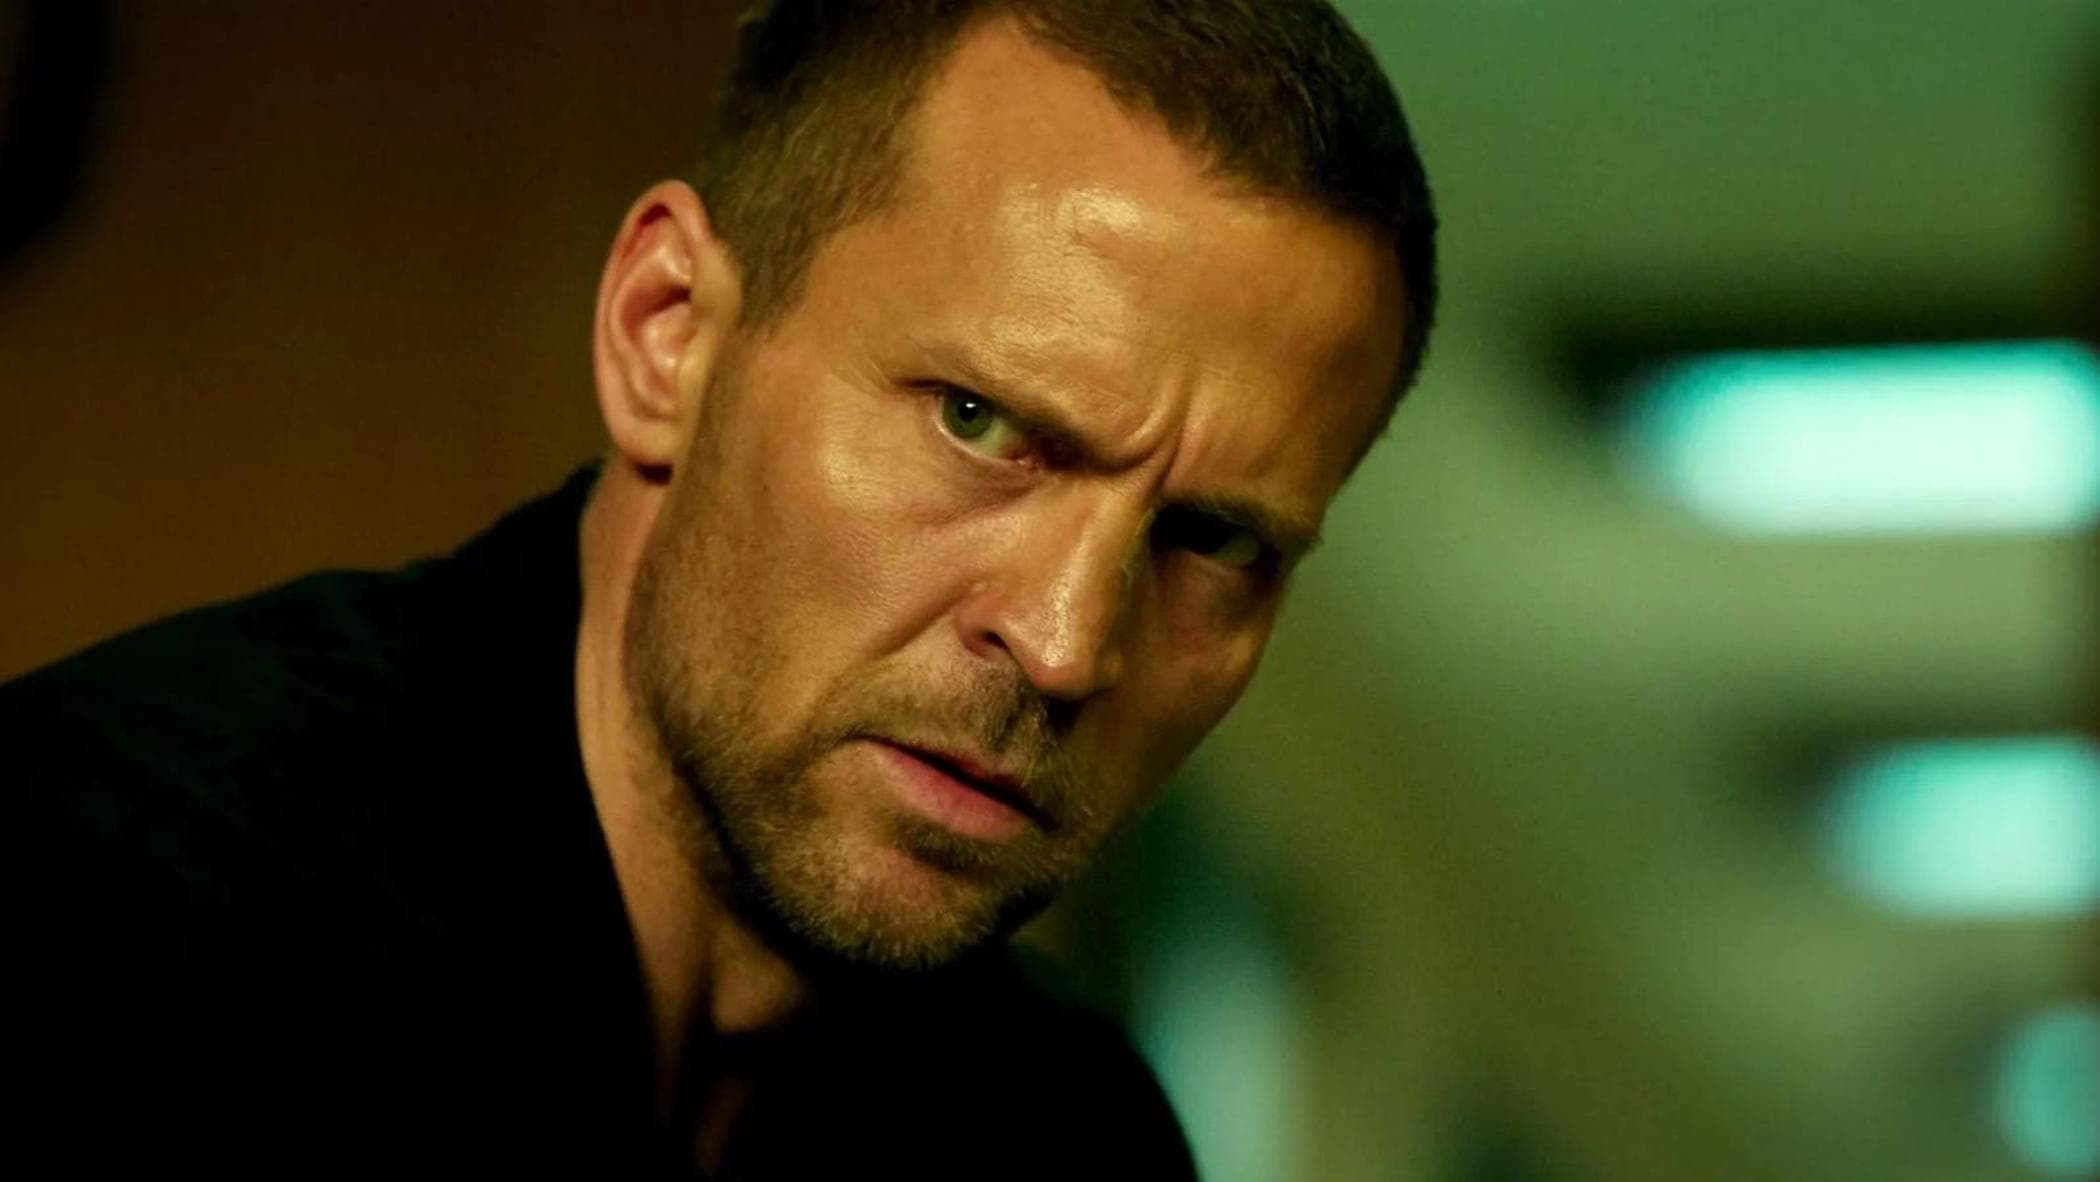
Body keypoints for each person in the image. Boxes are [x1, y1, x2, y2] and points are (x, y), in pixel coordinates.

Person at [11, 0, 1437, 1175]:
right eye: (981, 423)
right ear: (668, 336)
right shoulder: (101, 922)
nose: (1066, 644)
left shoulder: (1073, 1135)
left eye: (1212, 541)